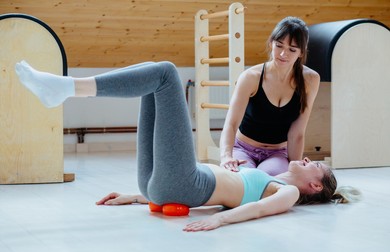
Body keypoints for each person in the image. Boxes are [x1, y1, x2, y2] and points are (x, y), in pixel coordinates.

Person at [15, 60, 359, 232]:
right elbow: (219, 201)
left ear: (315, 185)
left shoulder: (290, 193)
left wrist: (219, 224)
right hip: (161, 185)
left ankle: (67, 88)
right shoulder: (269, 180)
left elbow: (253, 211)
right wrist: (139, 196)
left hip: (181, 182)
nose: (311, 160)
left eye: (317, 165)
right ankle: (64, 88)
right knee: (153, 77)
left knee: (165, 72)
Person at [220, 16, 320, 175]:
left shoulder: (310, 79)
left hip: (277, 153)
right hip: (242, 148)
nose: (282, 54)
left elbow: (297, 132)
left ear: (301, 52)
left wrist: (295, 169)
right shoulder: (251, 77)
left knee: (270, 180)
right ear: (271, 43)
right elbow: (231, 124)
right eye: (279, 45)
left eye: (292, 49)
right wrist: (226, 156)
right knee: (245, 178)